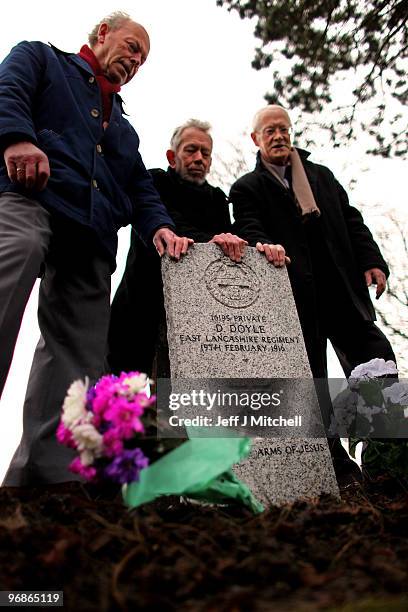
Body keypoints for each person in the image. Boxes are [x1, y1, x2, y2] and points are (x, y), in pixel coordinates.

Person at [0, 12, 192, 487]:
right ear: (102, 34)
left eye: (143, 59)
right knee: (14, 255)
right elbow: (7, 93)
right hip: (30, 196)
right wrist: (18, 139)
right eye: (132, 47)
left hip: (91, 235)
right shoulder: (41, 59)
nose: (135, 61)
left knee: (81, 349)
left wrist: (160, 228)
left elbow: (142, 188)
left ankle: (47, 479)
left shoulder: (125, 129)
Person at [230, 105, 396, 485]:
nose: (278, 135)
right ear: (255, 139)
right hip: (295, 298)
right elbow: (248, 225)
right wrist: (265, 244)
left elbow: (351, 220)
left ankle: (385, 454)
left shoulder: (321, 176)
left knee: (377, 360)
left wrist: (373, 261)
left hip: (341, 288)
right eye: (269, 130)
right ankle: (336, 468)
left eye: (284, 128)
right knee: (311, 382)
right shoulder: (247, 187)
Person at [107, 118, 282, 376]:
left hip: (196, 321)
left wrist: (261, 246)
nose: (199, 158)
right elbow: (169, 222)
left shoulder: (217, 199)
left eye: (206, 153)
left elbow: (232, 242)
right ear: (172, 156)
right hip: (140, 307)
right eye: (190, 150)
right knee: (123, 398)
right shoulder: (155, 182)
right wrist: (210, 240)